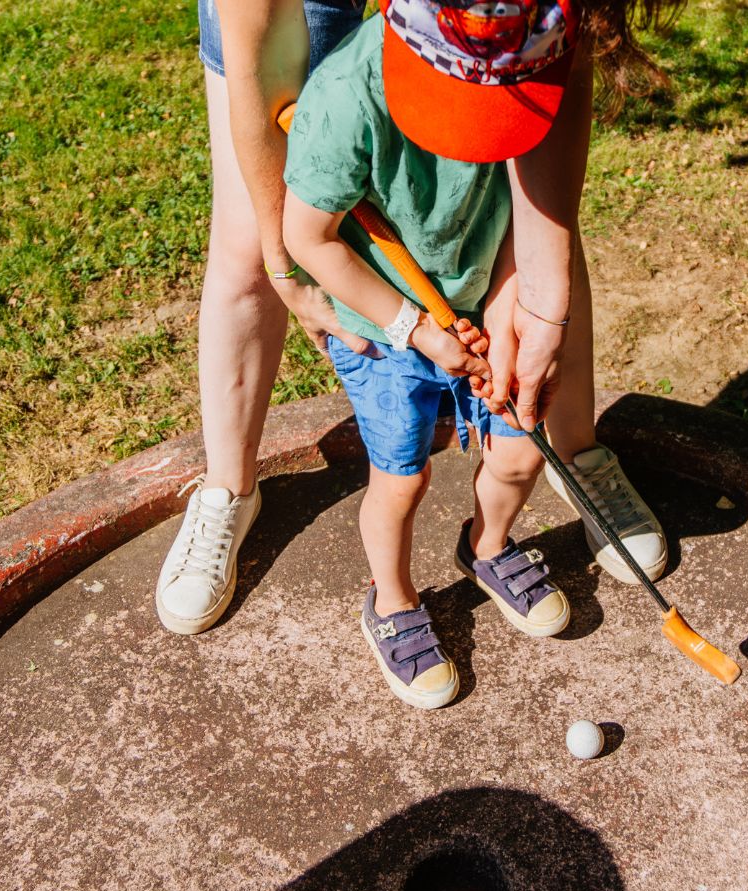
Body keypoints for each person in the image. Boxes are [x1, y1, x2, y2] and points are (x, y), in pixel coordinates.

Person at [155, 0, 671, 636]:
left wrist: (532, 297)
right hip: (388, 330)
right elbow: (304, 223)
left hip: (467, 291)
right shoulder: (350, 89)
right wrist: (293, 269)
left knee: (518, 444)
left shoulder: (532, 29)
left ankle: (523, 510)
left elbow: (537, 141)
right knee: (248, 242)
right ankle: (241, 498)